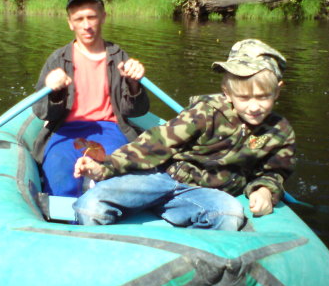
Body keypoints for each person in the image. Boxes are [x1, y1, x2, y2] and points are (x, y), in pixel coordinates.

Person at [73, 39, 296, 231]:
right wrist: (107, 166)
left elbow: (274, 171)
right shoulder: (206, 112)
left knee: (229, 216)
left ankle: (194, 258)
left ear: (277, 90)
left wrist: (265, 190)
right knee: (90, 207)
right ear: (227, 93)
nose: (254, 107)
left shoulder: (280, 131)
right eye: (244, 98)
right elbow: (157, 142)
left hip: (203, 195)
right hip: (162, 178)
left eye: (263, 97)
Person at [32, 0, 150, 198]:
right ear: (70, 23)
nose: (86, 25)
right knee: (60, 178)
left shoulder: (119, 57)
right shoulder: (57, 59)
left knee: (117, 178)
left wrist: (134, 84)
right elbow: (42, 112)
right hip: (65, 129)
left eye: (92, 17)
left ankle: (105, 210)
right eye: (79, 19)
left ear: (103, 17)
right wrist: (54, 92)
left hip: (110, 129)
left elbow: (136, 111)